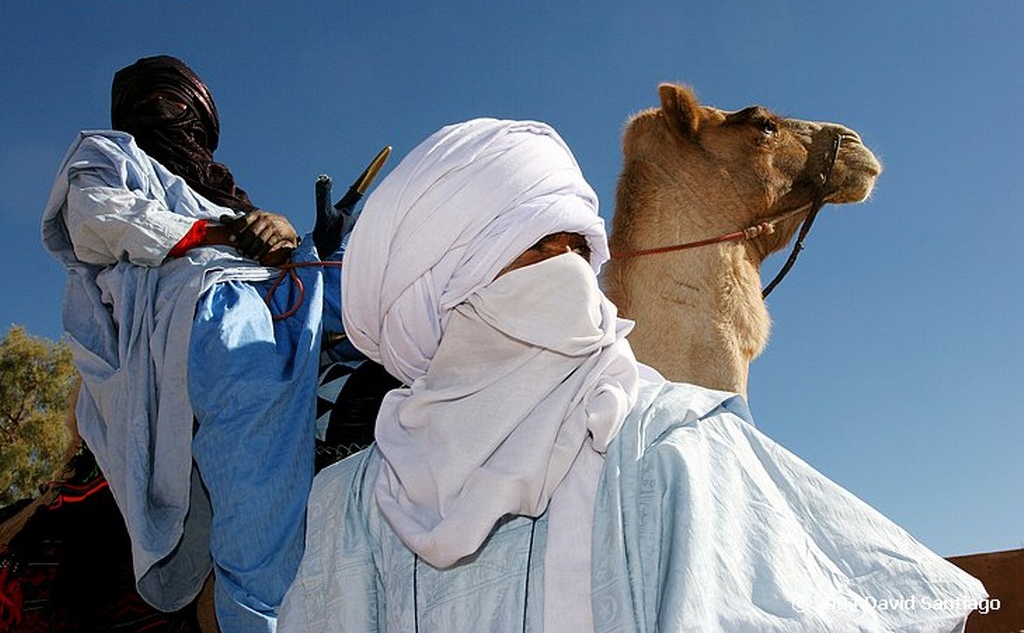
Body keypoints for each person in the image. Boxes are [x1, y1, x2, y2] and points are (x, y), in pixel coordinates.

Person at [278, 118, 987, 631]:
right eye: (530, 249)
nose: (564, 273)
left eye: (572, 246)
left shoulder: (676, 442)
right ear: (440, 293)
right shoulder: (348, 506)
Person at [42, 56, 352, 632]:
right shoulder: (112, 156)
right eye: (154, 102)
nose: (167, 113)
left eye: (177, 103)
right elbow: (101, 220)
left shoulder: (230, 198)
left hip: (276, 298)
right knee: (257, 472)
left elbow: (283, 257)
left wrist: (306, 240)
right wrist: (232, 231)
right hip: (202, 312)